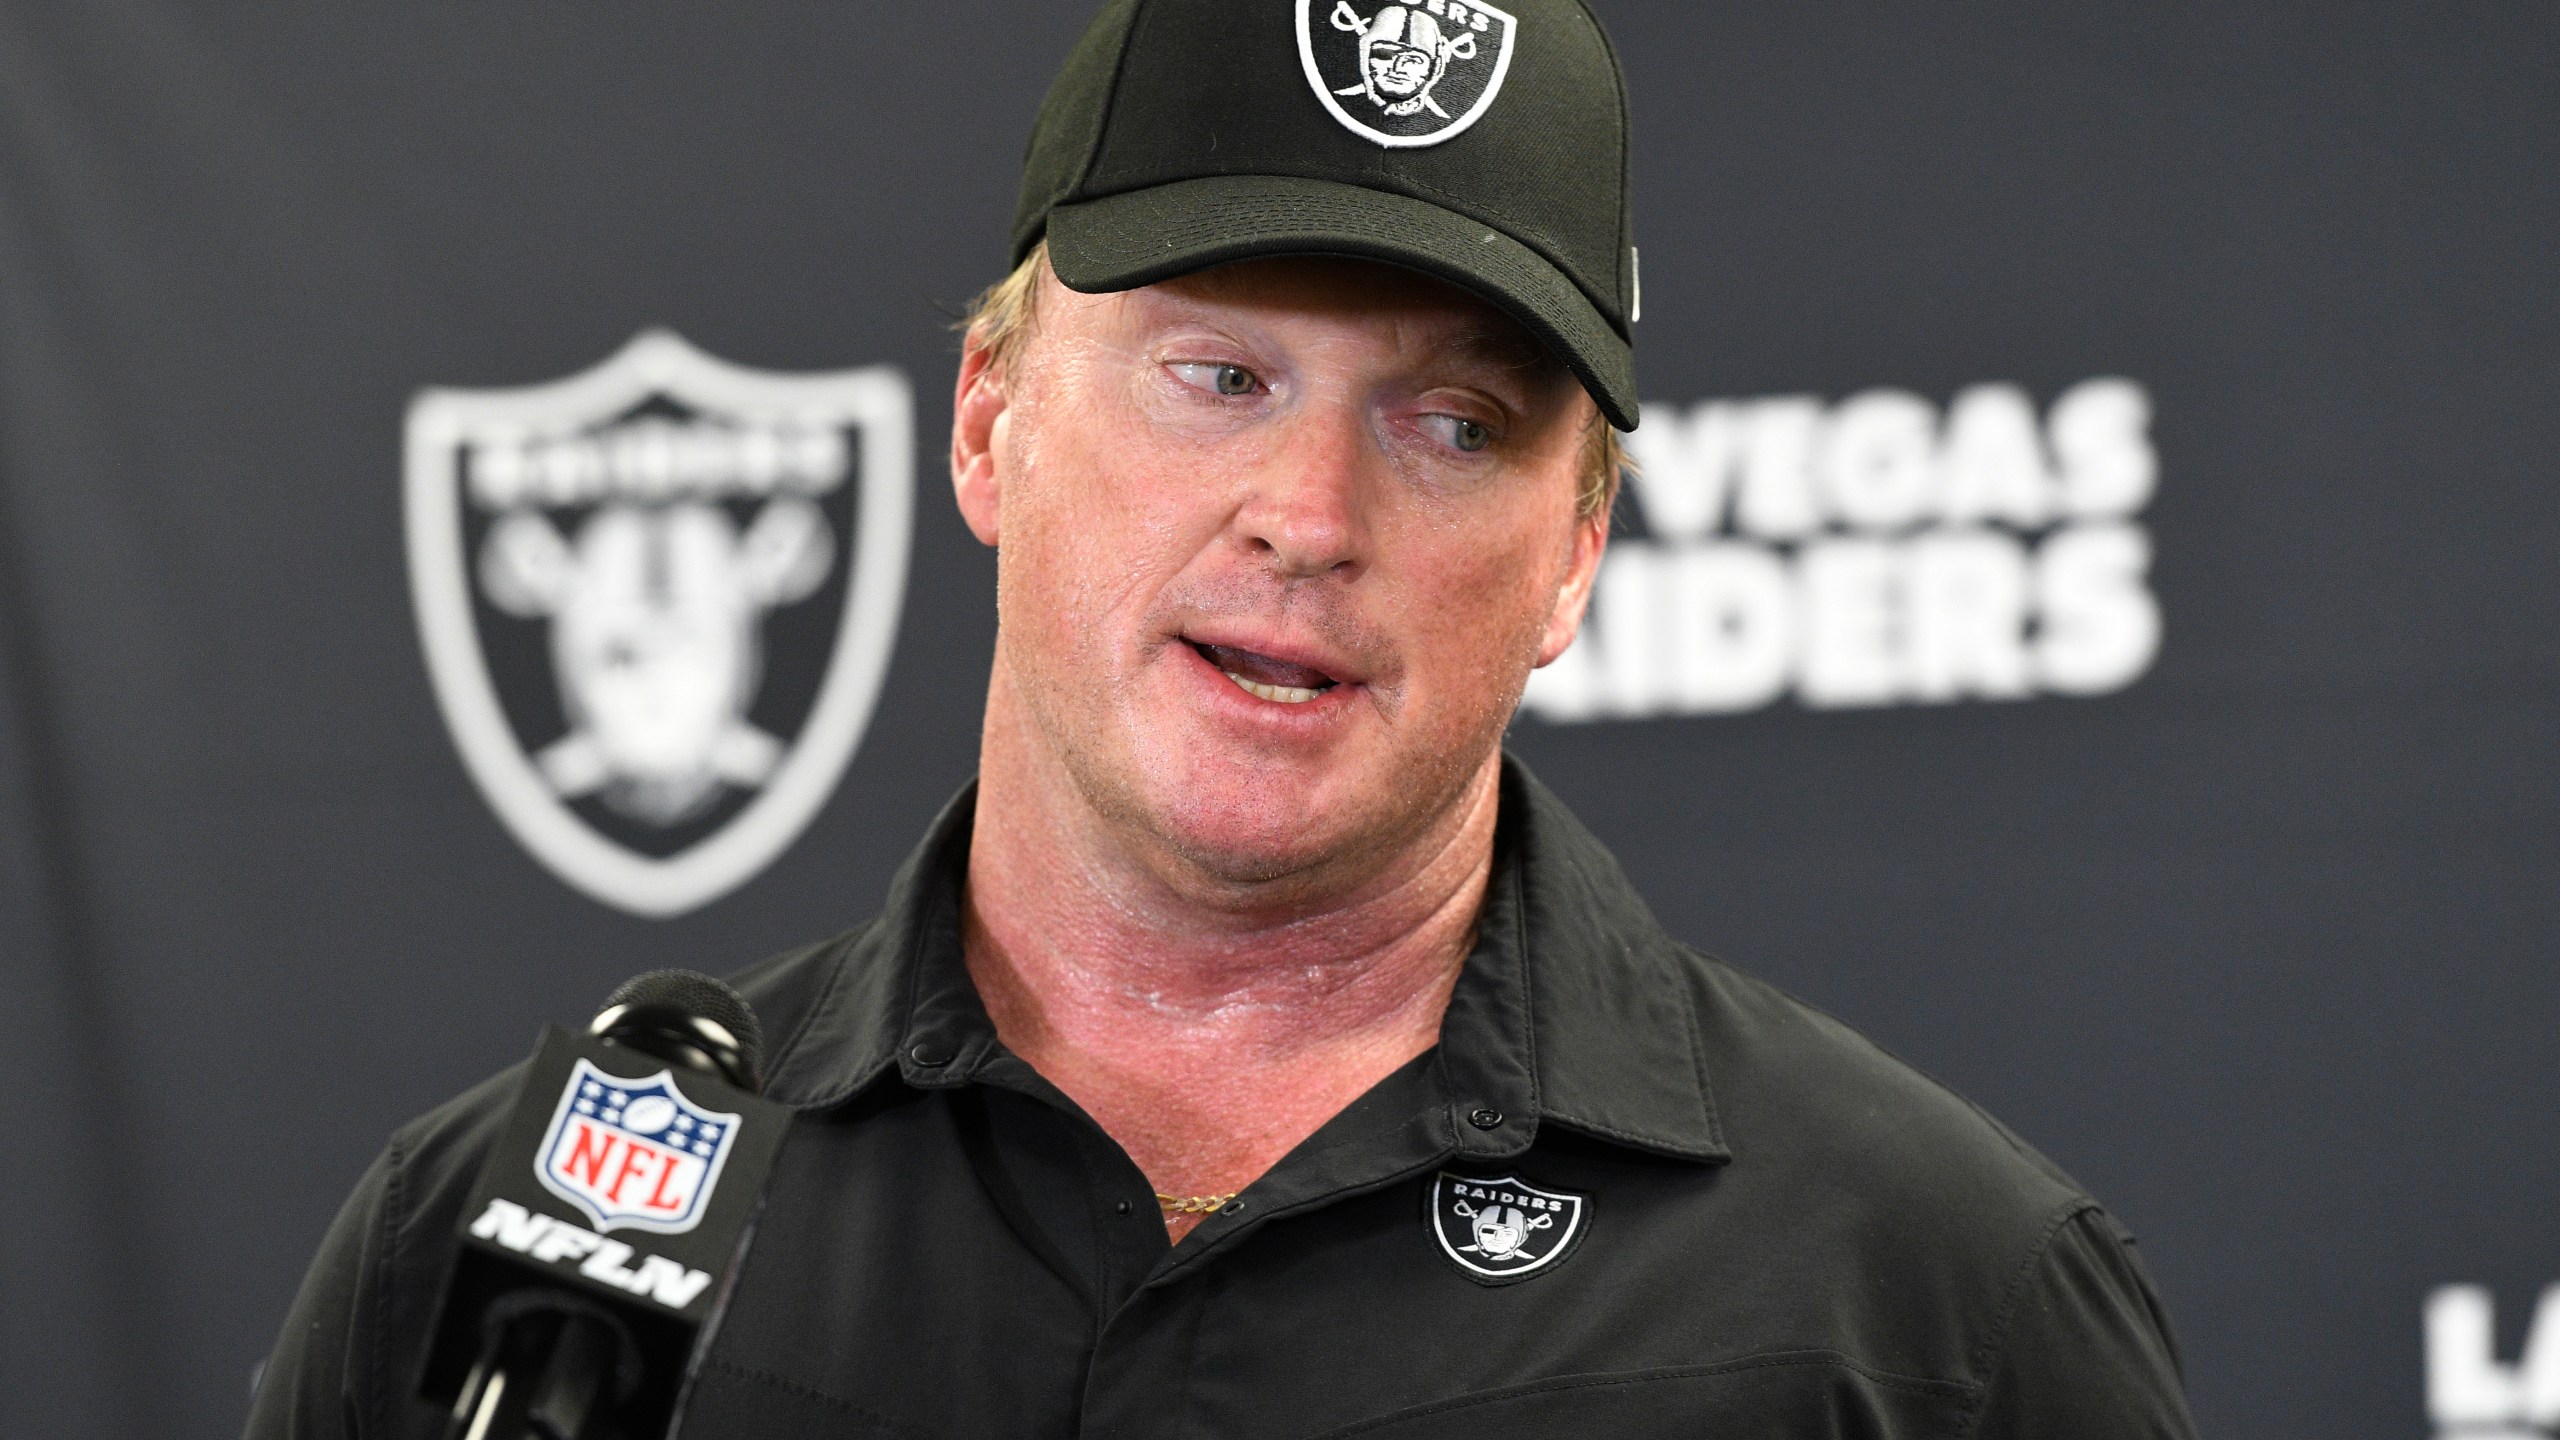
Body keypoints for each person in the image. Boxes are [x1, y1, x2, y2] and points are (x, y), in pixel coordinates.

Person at [250, 0, 2201, 1434]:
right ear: (989, 421)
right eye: (1215, 373)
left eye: (1452, 423)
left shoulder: (1930, 1304)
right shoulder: (514, 1244)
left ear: (1576, 552)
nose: (1312, 519)